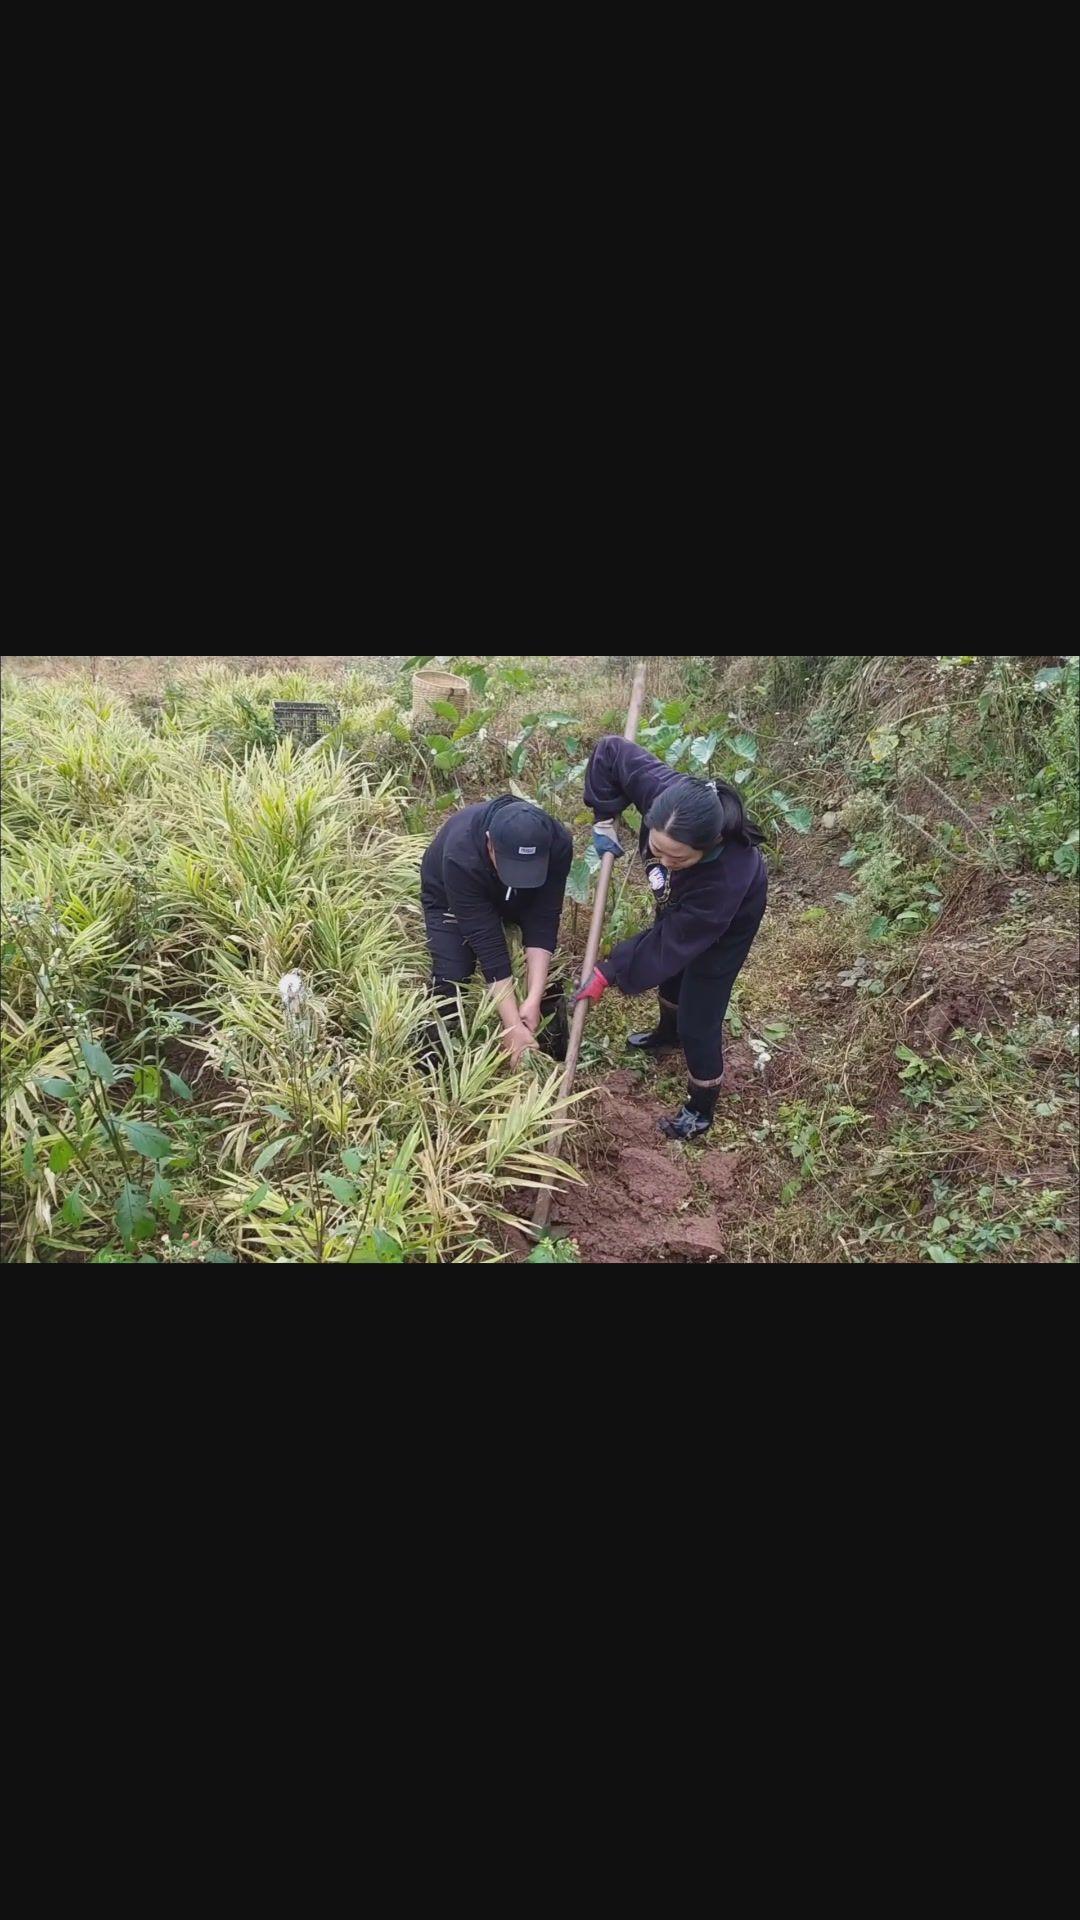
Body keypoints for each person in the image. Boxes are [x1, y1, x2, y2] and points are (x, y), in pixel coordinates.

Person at [573, 736, 768, 1140]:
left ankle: (700, 1107)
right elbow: (611, 751)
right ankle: (667, 1035)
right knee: (672, 975)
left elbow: (671, 940)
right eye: (656, 849)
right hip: (684, 900)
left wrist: (610, 970)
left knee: (700, 1010)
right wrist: (604, 817)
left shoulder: (725, 878)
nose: (662, 862)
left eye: (676, 858)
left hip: (729, 921)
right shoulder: (667, 800)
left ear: (709, 845)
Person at [420, 797, 573, 1067]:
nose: (521, 875)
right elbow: (487, 944)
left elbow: (544, 918)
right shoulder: (461, 854)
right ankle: (432, 1060)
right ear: (490, 843)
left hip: (515, 897)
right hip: (448, 895)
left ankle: (551, 1053)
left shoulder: (557, 842)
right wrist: (510, 1025)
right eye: (514, 866)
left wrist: (533, 998)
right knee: (452, 973)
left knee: (546, 976)